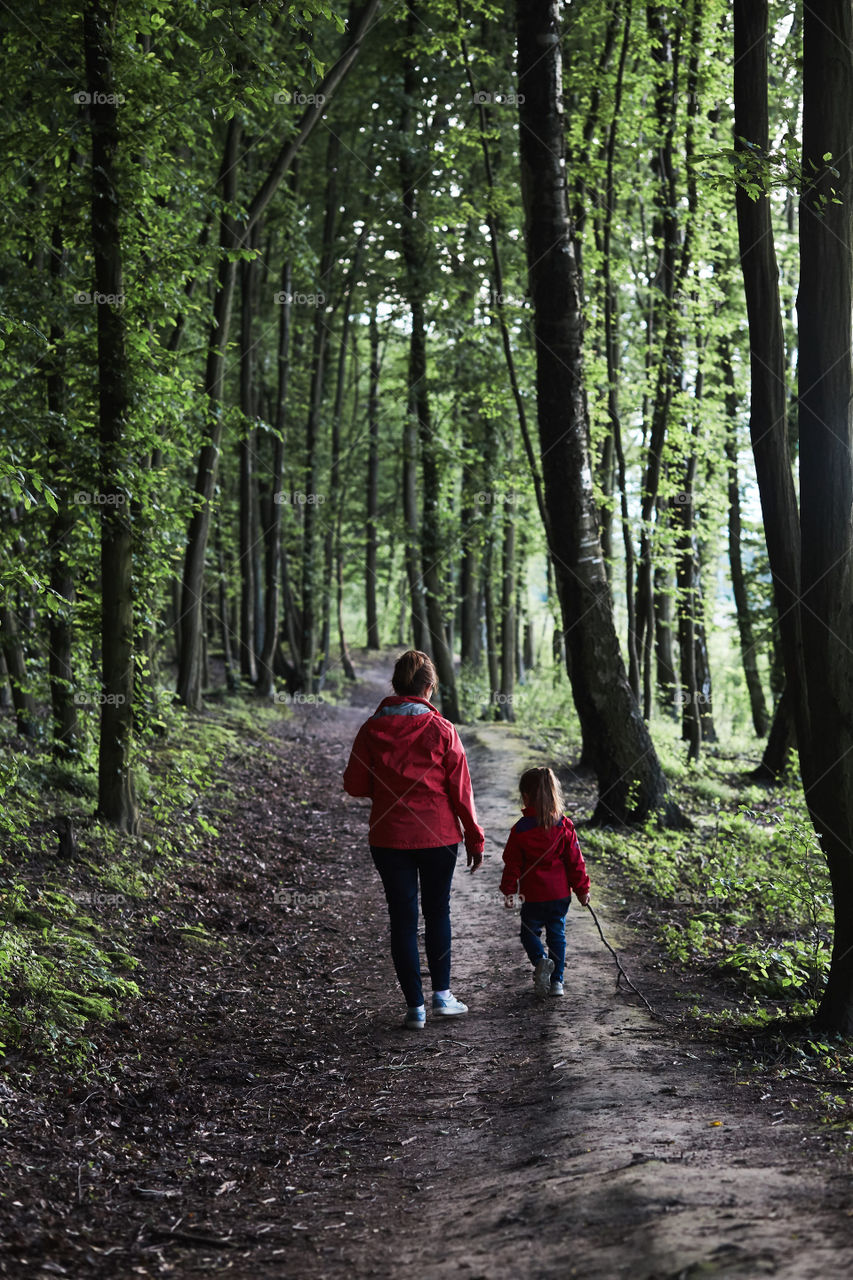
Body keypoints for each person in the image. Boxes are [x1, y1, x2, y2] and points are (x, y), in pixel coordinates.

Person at [343, 650, 485, 1030]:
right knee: (437, 911)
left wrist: (389, 789)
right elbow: (461, 792)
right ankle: (442, 997)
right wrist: (475, 839)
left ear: (397, 685)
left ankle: (414, 1009)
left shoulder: (372, 728)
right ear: (430, 686)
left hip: (389, 839)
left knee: (402, 920)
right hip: (438, 837)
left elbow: (354, 785)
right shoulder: (442, 730)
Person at [499, 766, 590, 998]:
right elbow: (575, 862)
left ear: (526, 797)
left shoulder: (520, 830)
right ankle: (557, 981)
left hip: (533, 896)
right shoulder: (564, 827)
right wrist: (582, 890)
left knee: (529, 933)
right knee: (557, 935)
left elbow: (512, 863)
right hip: (560, 895)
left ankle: (540, 960)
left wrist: (510, 891)